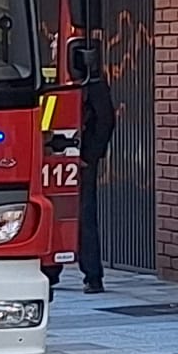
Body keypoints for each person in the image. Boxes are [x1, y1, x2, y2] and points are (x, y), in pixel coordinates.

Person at [79, 65, 116, 295]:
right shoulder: (46, 75)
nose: (52, 45)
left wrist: (89, 155)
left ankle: (93, 275)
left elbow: (105, 119)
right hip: (47, 154)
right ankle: (50, 271)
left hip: (79, 157)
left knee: (84, 214)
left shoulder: (90, 80)